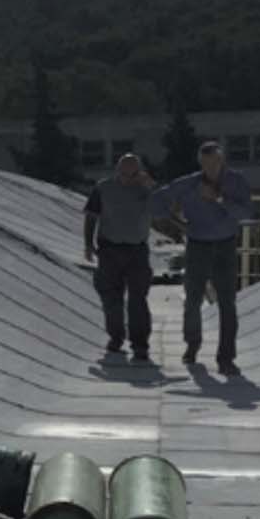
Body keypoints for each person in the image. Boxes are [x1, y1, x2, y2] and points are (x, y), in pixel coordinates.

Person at [151, 140, 253, 372]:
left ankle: (226, 359)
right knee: (193, 300)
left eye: (215, 162)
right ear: (200, 163)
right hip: (198, 246)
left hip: (226, 246)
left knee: (228, 303)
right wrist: (177, 222)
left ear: (222, 161)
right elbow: (156, 202)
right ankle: (192, 346)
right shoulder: (188, 184)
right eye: (206, 164)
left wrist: (219, 199)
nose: (211, 168)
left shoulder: (236, 181)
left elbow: (247, 213)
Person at [83, 153, 158, 362]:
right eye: (124, 172)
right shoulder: (103, 187)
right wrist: (88, 244)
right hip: (109, 250)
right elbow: (91, 216)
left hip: (137, 251)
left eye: (133, 172)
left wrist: (151, 186)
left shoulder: (147, 188)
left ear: (139, 171)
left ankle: (140, 344)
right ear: (117, 170)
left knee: (138, 300)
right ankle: (116, 338)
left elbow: (164, 207)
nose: (128, 177)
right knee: (111, 299)